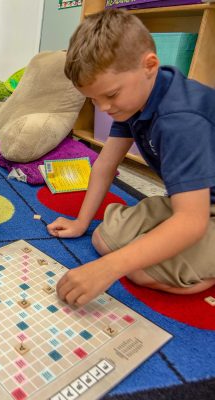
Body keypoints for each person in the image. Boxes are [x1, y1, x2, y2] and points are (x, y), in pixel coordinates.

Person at [47, 8, 215, 306]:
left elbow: (191, 221)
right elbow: (105, 165)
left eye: (110, 95)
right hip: (192, 199)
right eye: (93, 99)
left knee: (138, 271)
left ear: (150, 65)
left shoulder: (180, 121)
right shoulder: (133, 98)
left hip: (197, 212)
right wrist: (81, 222)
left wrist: (108, 270)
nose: (103, 108)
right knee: (103, 239)